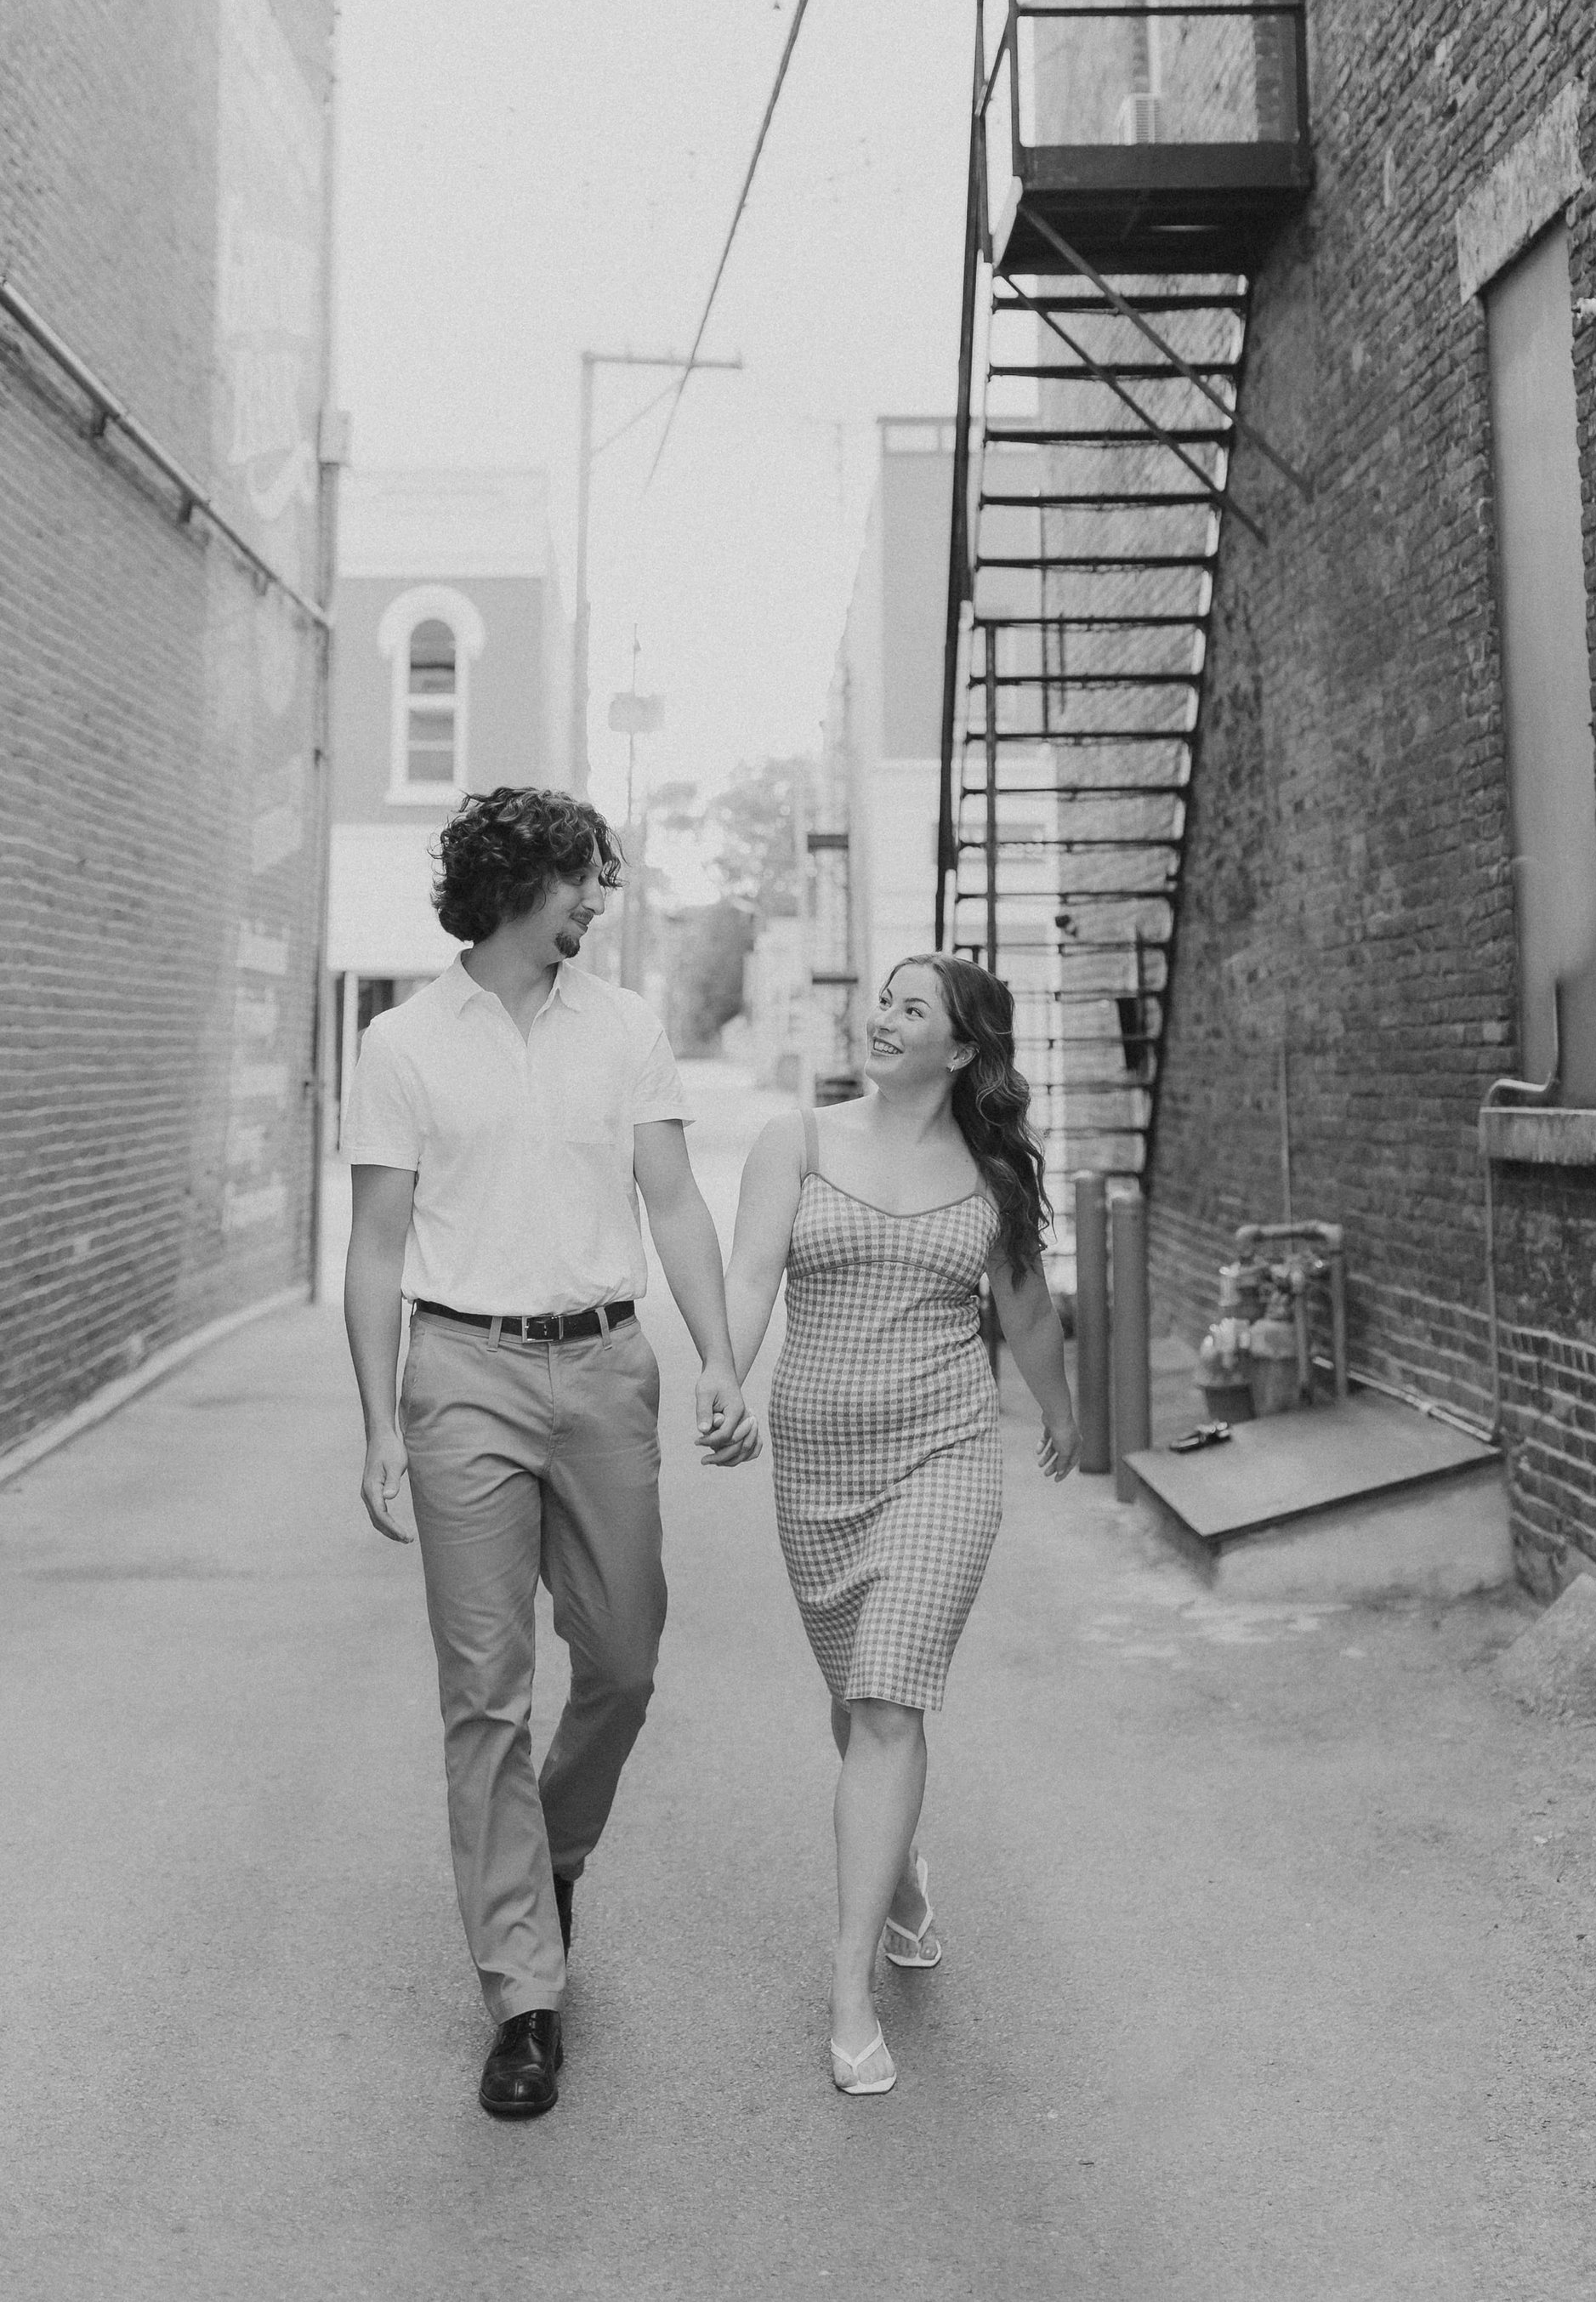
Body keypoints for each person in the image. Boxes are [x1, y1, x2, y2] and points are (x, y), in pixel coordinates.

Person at [341, 786, 757, 2124]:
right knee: (484, 1690)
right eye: (580, 878)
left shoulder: (625, 1027)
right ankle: (524, 1994)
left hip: (604, 1363)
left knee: (625, 1656)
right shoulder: (403, 1042)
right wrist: (374, 1425)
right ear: (515, 882)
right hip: (460, 1369)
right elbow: (374, 1248)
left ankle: (553, 1848)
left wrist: (720, 1356)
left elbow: (678, 1198)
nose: (596, 900)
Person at [724, 952, 1080, 2097]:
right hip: (819, 1466)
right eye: (882, 1000)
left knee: (887, 1698)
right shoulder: (801, 1141)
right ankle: (904, 1871)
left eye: (910, 1008)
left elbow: (1023, 1304)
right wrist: (719, 1371)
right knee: (854, 1700)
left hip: (945, 1456)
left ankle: (848, 1985)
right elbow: (751, 1271)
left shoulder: (989, 1175)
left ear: (962, 1047)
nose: (883, 1017)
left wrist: (1063, 1408)